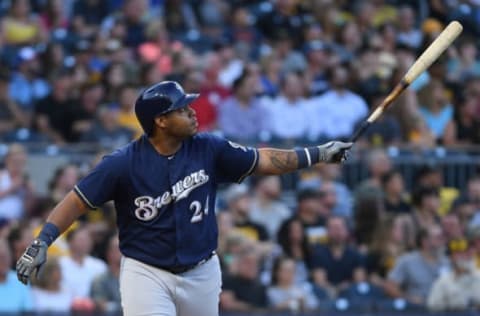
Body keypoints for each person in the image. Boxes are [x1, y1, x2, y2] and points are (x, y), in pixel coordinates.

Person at [15, 80, 352, 316]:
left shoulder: (209, 147)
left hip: (202, 270)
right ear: (160, 121)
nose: (192, 112)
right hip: (147, 271)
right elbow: (77, 201)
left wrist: (317, 154)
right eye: (181, 108)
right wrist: (42, 240)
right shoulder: (122, 163)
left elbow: (263, 159)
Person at [427, 238, 480, 311]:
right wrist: (452, 305)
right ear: (451, 258)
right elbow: (432, 305)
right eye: (457, 254)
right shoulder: (444, 281)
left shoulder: (478, 276)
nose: (463, 257)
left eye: (465, 254)